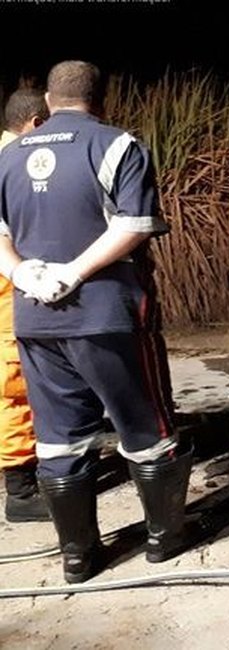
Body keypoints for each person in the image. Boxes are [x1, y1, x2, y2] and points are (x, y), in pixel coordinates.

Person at [0, 61, 188, 583]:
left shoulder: (8, 156)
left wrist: (27, 275)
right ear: (100, 97)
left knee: (59, 438)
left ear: (48, 101)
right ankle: (163, 540)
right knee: (147, 426)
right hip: (108, 316)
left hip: (36, 319)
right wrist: (74, 272)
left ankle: (78, 559)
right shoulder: (118, 145)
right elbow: (132, 226)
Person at [0, 87, 50, 523]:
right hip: (6, 295)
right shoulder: (12, 165)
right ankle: (20, 492)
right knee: (13, 389)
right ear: (35, 123)